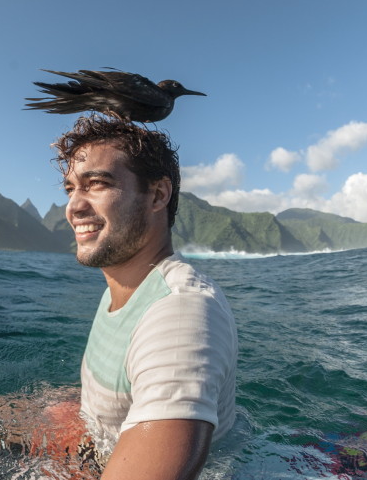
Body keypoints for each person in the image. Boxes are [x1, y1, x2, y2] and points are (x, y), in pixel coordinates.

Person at [55, 114, 237, 480]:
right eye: (70, 188)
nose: (74, 206)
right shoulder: (122, 290)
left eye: (97, 184)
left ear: (157, 195)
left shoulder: (180, 314)